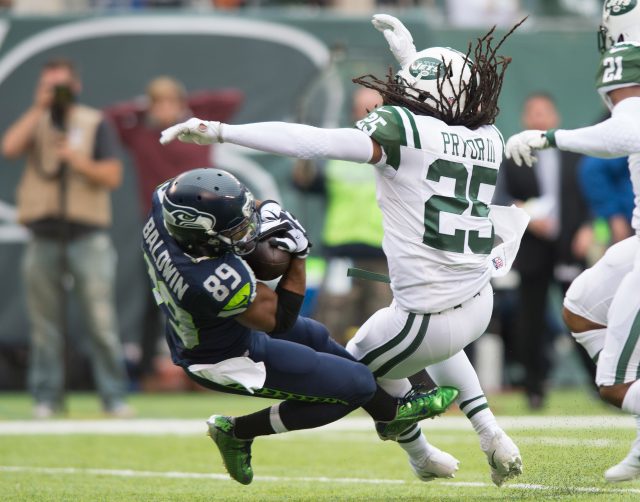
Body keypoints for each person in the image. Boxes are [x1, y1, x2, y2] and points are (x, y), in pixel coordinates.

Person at [160, 14, 528, 486]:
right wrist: (410, 56)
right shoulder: (488, 138)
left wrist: (222, 131)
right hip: (476, 300)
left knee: (348, 382)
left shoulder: (405, 131)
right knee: (400, 355)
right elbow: (444, 109)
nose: (401, 94)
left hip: (423, 317)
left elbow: (312, 141)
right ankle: (489, 434)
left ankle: (240, 431)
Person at [142, 167, 458, 485]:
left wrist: (266, 211)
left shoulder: (166, 203)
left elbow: (238, 210)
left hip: (215, 325)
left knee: (317, 335)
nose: (249, 230)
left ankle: (391, 416)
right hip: (224, 356)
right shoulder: (207, 281)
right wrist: (300, 255)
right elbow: (281, 321)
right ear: (202, 236)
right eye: (238, 230)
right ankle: (237, 431)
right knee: (356, 385)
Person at [504, 1, 640, 482]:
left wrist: (550, 138)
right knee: (579, 306)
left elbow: (622, 132)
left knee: (612, 385)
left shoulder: (631, 110)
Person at [1, 58, 130, 418]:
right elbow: (9, 148)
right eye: (47, 85)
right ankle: (46, 396)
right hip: (42, 233)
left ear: (76, 87)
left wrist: (76, 160)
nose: (54, 92)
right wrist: (37, 109)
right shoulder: (36, 121)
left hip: (86, 233)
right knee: (44, 325)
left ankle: (113, 395)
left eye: (60, 86)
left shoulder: (93, 121)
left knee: (100, 321)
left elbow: (112, 175)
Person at [106, 76, 242, 384]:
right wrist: (145, 110)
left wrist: (186, 109)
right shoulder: (141, 133)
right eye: (159, 102)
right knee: (155, 297)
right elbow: (112, 116)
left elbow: (231, 98)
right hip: (160, 228)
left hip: (205, 227)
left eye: (172, 101)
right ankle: (145, 372)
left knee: (213, 293)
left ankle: (222, 362)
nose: (166, 109)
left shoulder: (196, 128)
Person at [494, 92, 593, 409]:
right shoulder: (512, 157)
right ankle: (534, 387)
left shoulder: (573, 155)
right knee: (530, 320)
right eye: (533, 113)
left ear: (555, 118)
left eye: (544, 113)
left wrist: (587, 229)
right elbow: (502, 198)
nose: (539, 119)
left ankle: (599, 383)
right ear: (525, 119)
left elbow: (589, 196)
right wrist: (526, 215)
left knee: (582, 314)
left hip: (570, 247)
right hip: (532, 249)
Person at [292, 87, 392, 345]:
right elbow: (305, 182)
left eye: (375, 108)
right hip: (341, 255)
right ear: (353, 112)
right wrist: (302, 150)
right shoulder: (339, 150)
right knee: (332, 321)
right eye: (363, 108)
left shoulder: (397, 153)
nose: (368, 114)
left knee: (384, 325)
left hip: (384, 256)